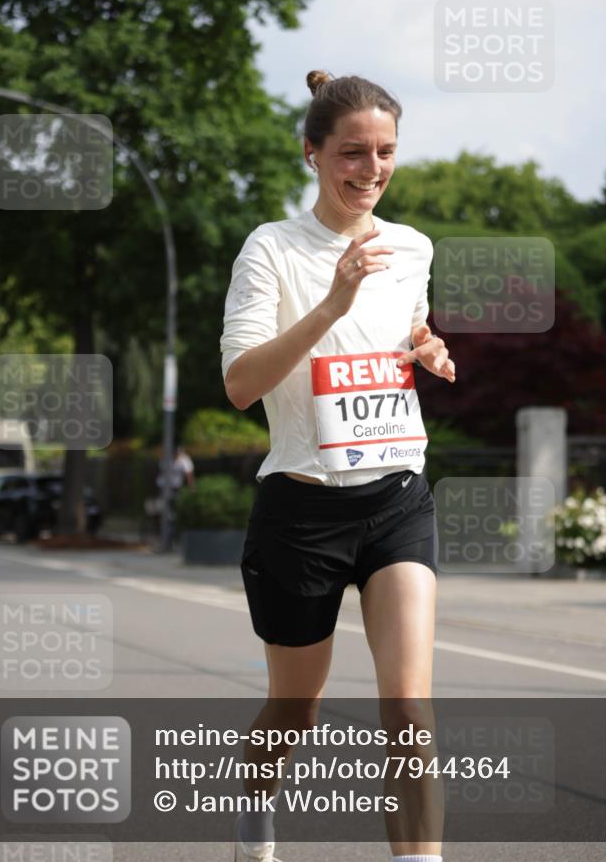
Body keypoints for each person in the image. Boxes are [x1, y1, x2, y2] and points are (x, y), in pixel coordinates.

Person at [220, 71, 455, 862]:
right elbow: (240, 385)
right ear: (312, 154)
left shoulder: (413, 246)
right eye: (352, 153)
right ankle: (253, 812)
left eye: (386, 152)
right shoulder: (271, 248)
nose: (371, 169)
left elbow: (408, 330)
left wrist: (426, 346)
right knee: (295, 711)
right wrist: (329, 302)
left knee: (409, 708)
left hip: (395, 498)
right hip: (300, 510)